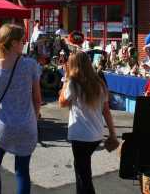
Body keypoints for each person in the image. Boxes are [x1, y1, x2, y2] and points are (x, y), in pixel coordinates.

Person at [0, 24, 42, 194]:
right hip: (27, 126)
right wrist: (34, 118)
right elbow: (37, 99)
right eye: (22, 40)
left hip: (3, 125)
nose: (24, 43)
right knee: (22, 171)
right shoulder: (30, 65)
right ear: (13, 43)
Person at [59, 51, 118, 194]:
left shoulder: (73, 82)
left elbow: (62, 102)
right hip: (96, 134)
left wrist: (66, 80)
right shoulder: (99, 83)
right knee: (82, 169)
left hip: (80, 134)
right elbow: (106, 111)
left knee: (82, 174)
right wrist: (112, 133)